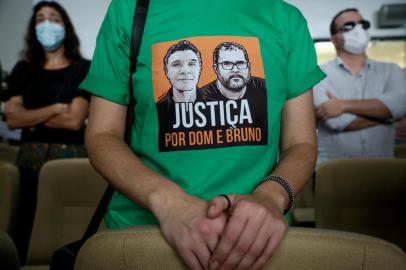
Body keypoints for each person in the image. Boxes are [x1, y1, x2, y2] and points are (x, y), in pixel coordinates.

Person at [82, 0, 325, 269]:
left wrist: (271, 197)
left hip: (255, 240)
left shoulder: (285, 18)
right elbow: (102, 136)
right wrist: (170, 203)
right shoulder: (131, 9)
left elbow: (300, 143)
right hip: (145, 236)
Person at [4, 1, 90, 263]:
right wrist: (55, 107)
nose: (47, 24)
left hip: (71, 159)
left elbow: (74, 120)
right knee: (24, 225)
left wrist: (31, 117)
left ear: (65, 26)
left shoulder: (83, 68)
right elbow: (12, 119)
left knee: (65, 229)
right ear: (33, 28)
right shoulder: (23, 70)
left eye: (54, 18)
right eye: (40, 19)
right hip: (28, 159)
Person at [313, 8, 406, 167]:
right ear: (334, 39)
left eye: (363, 24)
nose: (359, 30)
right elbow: (337, 122)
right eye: (349, 26)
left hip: (384, 172)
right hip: (335, 174)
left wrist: (342, 105)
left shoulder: (392, 70)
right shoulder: (318, 74)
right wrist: (388, 115)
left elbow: (400, 106)